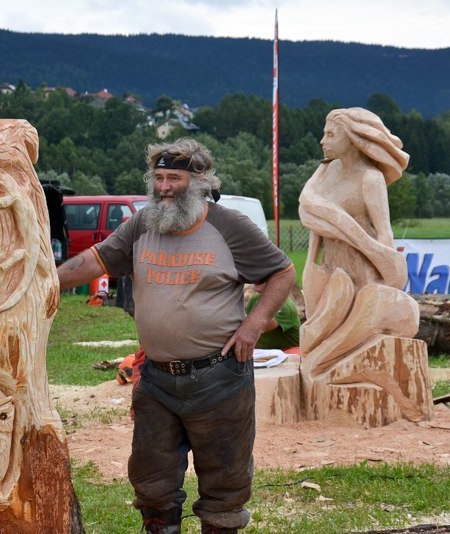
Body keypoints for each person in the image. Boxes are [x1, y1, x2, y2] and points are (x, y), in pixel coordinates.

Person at [57, 138, 295, 534]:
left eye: (175, 178)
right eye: (159, 177)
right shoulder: (142, 224)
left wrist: (254, 324)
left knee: (225, 484)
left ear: (200, 181)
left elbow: (282, 272)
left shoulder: (229, 226)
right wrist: (44, 281)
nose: (164, 186)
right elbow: (94, 260)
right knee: (152, 483)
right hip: (156, 379)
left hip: (219, 377)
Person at [298, 108, 417, 370]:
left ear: (352, 139)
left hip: (361, 271)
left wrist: (386, 270)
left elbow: (383, 230)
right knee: (318, 331)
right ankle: (321, 369)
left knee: (355, 333)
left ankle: (346, 369)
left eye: (330, 134)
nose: (322, 141)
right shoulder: (324, 173)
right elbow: (312, 216)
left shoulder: (370, 178)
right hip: (329, 268)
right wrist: (310, 266)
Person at [245, 283, 300, 349]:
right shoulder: (256, 298)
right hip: (261, 351)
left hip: (286, 352)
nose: (256, 287)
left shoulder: (285, 305)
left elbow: (257, 328)